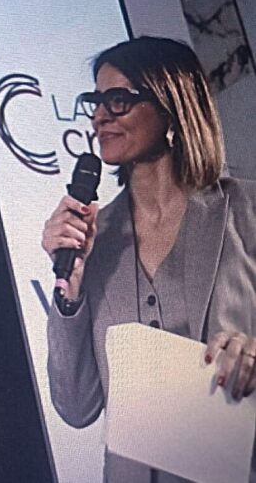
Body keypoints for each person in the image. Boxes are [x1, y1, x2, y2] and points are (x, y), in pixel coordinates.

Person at [42, 36, 256, 482]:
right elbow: (76, 406)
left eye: (118, 101)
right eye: (95, 103)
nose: (100, 116)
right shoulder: (93, 238)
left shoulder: (246, 210)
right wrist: (70, 290)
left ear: (170, 106)